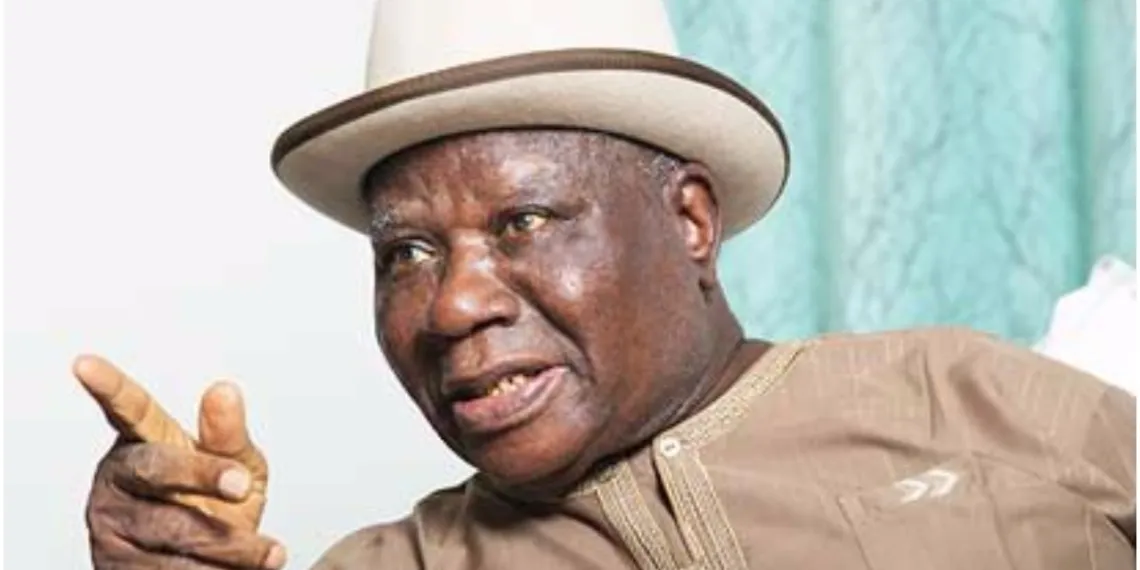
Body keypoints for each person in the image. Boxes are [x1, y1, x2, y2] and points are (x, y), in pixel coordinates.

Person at [76, 0, 1136, 568]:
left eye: (524, 222)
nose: (452, 305)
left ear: (689, 220)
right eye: (407, 253)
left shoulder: (974, 399)